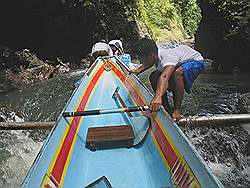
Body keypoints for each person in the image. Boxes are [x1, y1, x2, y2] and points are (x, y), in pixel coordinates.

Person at [131, 38, 205, 121]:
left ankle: (177, 110)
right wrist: (137, 71)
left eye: (142, 59)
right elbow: (149, 63)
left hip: (196, 61)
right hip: (179, 60)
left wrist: (157, 97)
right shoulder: (156, 54)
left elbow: (165, 76)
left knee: (177, 74)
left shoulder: (167, 57)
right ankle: (165, 107)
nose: (141, 62)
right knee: (153, 76)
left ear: (151, 55)